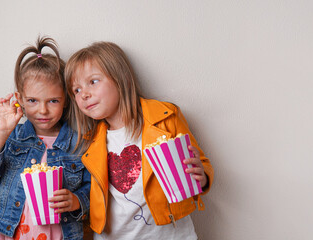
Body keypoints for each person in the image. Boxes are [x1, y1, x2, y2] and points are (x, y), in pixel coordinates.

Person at [64, 41, 214, 239]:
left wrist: (202, 178)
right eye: (76, 90)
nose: (84, 94)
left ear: (121, 79)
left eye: (93, 82)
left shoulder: (164, 118)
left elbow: (200, 163)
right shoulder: (90, 141)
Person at [0, 36, 90, 240]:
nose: (42, 110)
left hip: (62, 234)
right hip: (16, 234)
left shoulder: (78, 143)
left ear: (65, 100)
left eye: (53, 100)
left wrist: (77, 200)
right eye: (33, 101)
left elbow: (94, 189)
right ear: (20, 100)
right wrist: (1, 132)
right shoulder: (13, 137)